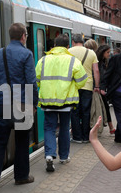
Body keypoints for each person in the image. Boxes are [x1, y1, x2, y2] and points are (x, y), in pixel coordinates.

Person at [0, 23, 38, 191]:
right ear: (23, 36)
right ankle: (21, 176)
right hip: (21, 104)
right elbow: (31, 82)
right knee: (22, 140)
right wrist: (33, 104)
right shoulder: (26, 54)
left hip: (2, 104)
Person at [35, 34, 87, 172]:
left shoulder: (43, 60)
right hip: (66, 102)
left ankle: (49, 155)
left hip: (48, 101)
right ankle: (64, 157)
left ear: (53, 46)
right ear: (67, 47)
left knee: (49, 128)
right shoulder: (72, 61)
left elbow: (36, 79)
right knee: (64, 128)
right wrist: (72, 87)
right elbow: (82, 80)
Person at [68, 34, 100, 143]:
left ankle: (77, 137)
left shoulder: (69, 52)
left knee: (75, 111)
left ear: (73, 41)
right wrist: (97, 86)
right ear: (82, 41)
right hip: (88, 86)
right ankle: (86, 137)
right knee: (86, 112)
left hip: (74, 86)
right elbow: (96, 71)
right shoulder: (91, 53)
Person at [96, 44, 115, 134]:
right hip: (99, 89)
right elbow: (102, 76)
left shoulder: (103, 62)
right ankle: (111, 127)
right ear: (102, 53)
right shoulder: (100, 64)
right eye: (107, 52)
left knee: (104, 108)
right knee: (105, 108)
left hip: (100, 88)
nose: (109, 54)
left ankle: (111, 126)